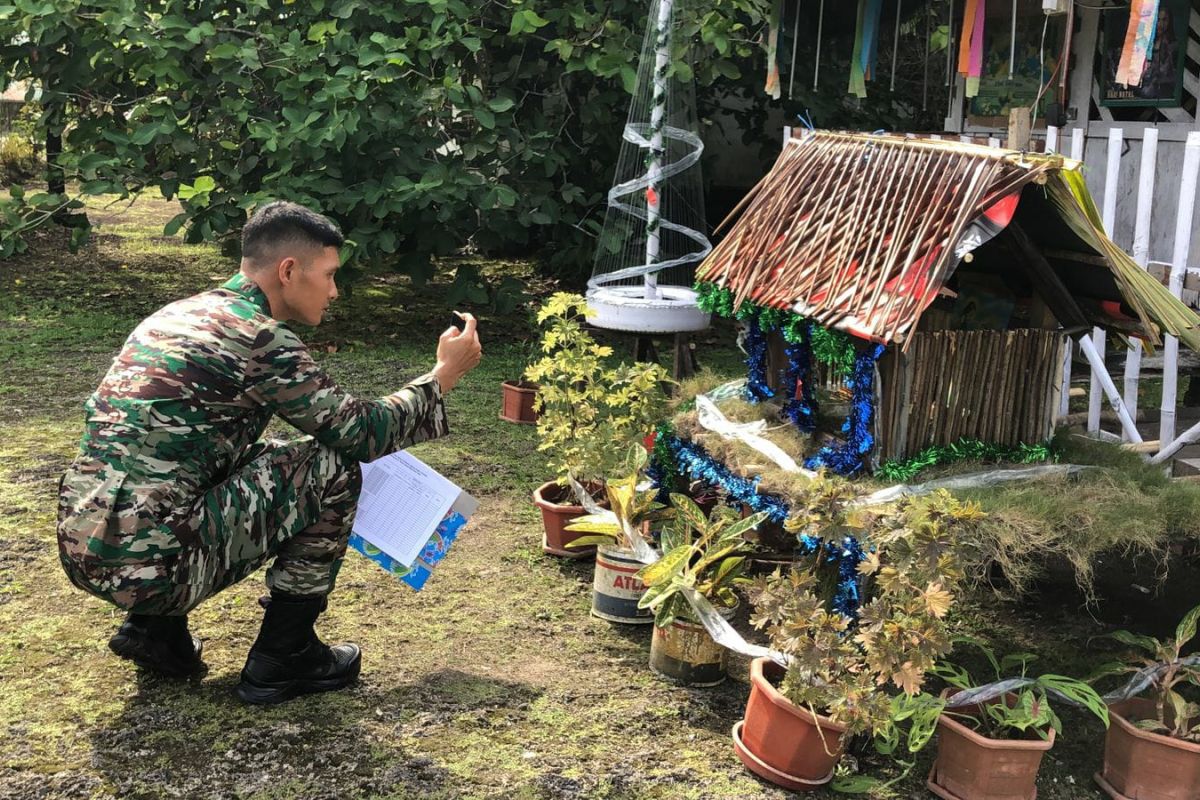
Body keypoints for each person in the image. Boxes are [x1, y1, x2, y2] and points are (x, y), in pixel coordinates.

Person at [56, 201, 482, 704]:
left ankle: (153, 632)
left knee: (250, 454)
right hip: (150, 567)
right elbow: (361, 432)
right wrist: (442, 377)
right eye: (328, 275)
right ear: (288, 270)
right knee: (332, 466)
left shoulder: (178, 315)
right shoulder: (257, 337)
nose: (335, 291)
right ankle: (286, 654)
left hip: (83, 545)